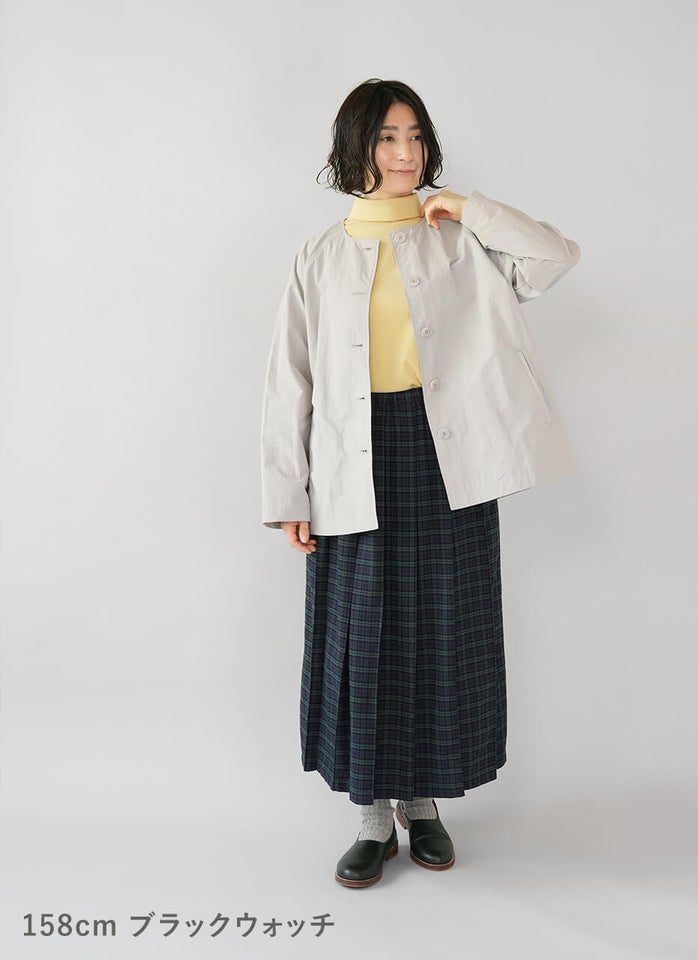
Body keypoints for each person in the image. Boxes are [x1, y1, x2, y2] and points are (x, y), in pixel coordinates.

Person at [260, 78, 580, 888]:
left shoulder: (458, 237)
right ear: (356, 147)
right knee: (363, 633)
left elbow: (555, 257)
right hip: (350, 459)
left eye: (415, 136)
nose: (405, 153)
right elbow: (290, 381)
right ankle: (372, 817)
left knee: (444, 625)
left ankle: (426, 804)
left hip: (448, 454)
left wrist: (471, 207)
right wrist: (288, 493)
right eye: (386, 137)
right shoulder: (319, 256)